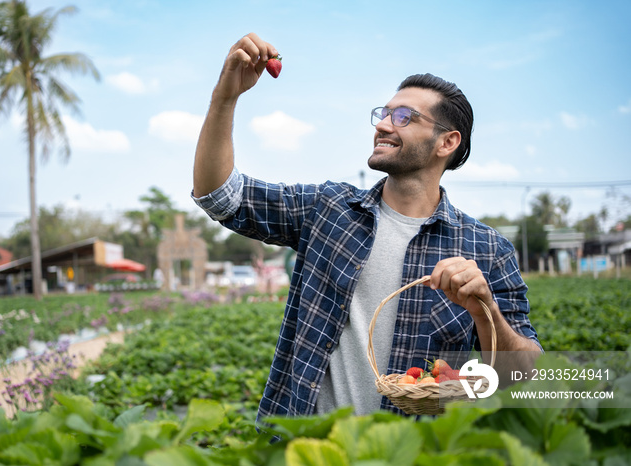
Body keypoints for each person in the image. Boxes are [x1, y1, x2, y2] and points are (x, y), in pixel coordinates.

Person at [192, 33, 542, 421]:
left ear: (447, 142)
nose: (384, 125)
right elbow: (220, 196)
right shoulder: (328, 210)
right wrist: (225, 98)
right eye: (385, 113)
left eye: (404, 117)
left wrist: (485, 310)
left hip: (411, 453)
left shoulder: (488, 250)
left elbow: (523, 377)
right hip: (305, 450)